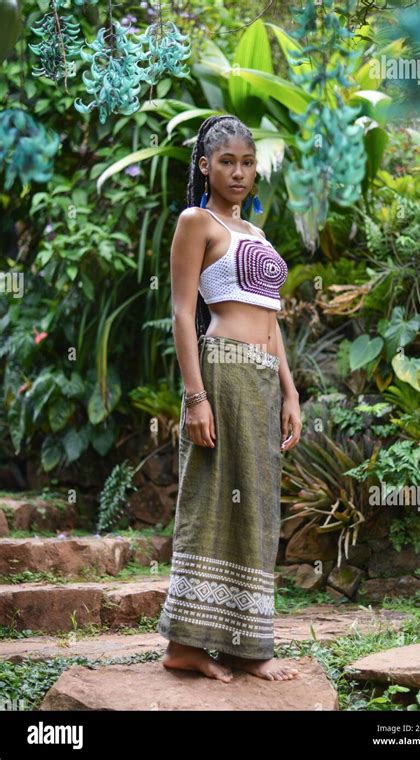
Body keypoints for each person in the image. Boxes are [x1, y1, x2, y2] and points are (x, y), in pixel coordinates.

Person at [156, 114, 302, 683]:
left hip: (263, 380)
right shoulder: (197, 221)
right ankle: (187, 645)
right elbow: (180, 312)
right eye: (226, 162)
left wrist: (290, 390)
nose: (238, 172)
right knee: (212, 499)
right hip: (221, 373)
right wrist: (195, 398)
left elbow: (273, 319)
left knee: (258, 510)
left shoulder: (257, 235)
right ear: (205, 166)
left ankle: (245, 644)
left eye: (246, 162)